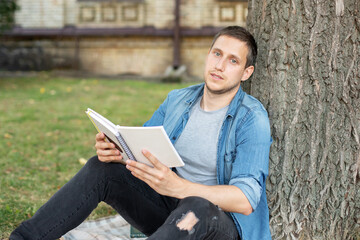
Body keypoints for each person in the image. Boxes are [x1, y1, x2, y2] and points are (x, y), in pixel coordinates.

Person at [10, 26, 272, 240]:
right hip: (170, 212)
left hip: (215, 224)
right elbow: (141, 147)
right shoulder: (178, 99)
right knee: (101, 169)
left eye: (233, 60)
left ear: (246, 72)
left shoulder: (252, 118)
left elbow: (246, 199)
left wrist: (180, 187)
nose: (220, 65)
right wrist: (117, 151)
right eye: (217, 54)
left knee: (197, 204)